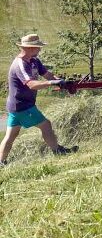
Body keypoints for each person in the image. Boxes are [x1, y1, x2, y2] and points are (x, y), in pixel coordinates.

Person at [0, 34, 77, 166]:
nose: (40, 50)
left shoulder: (34, 61)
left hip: (17, 105)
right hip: (22, 105)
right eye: (38, 47)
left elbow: (47, 75)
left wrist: (61, 82)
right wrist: (53, 83)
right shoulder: (20, 64)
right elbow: (31, 84)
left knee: (11, 135)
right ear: (30, 48)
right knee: (46, 125)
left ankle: (1, 162)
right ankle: (57, 151)